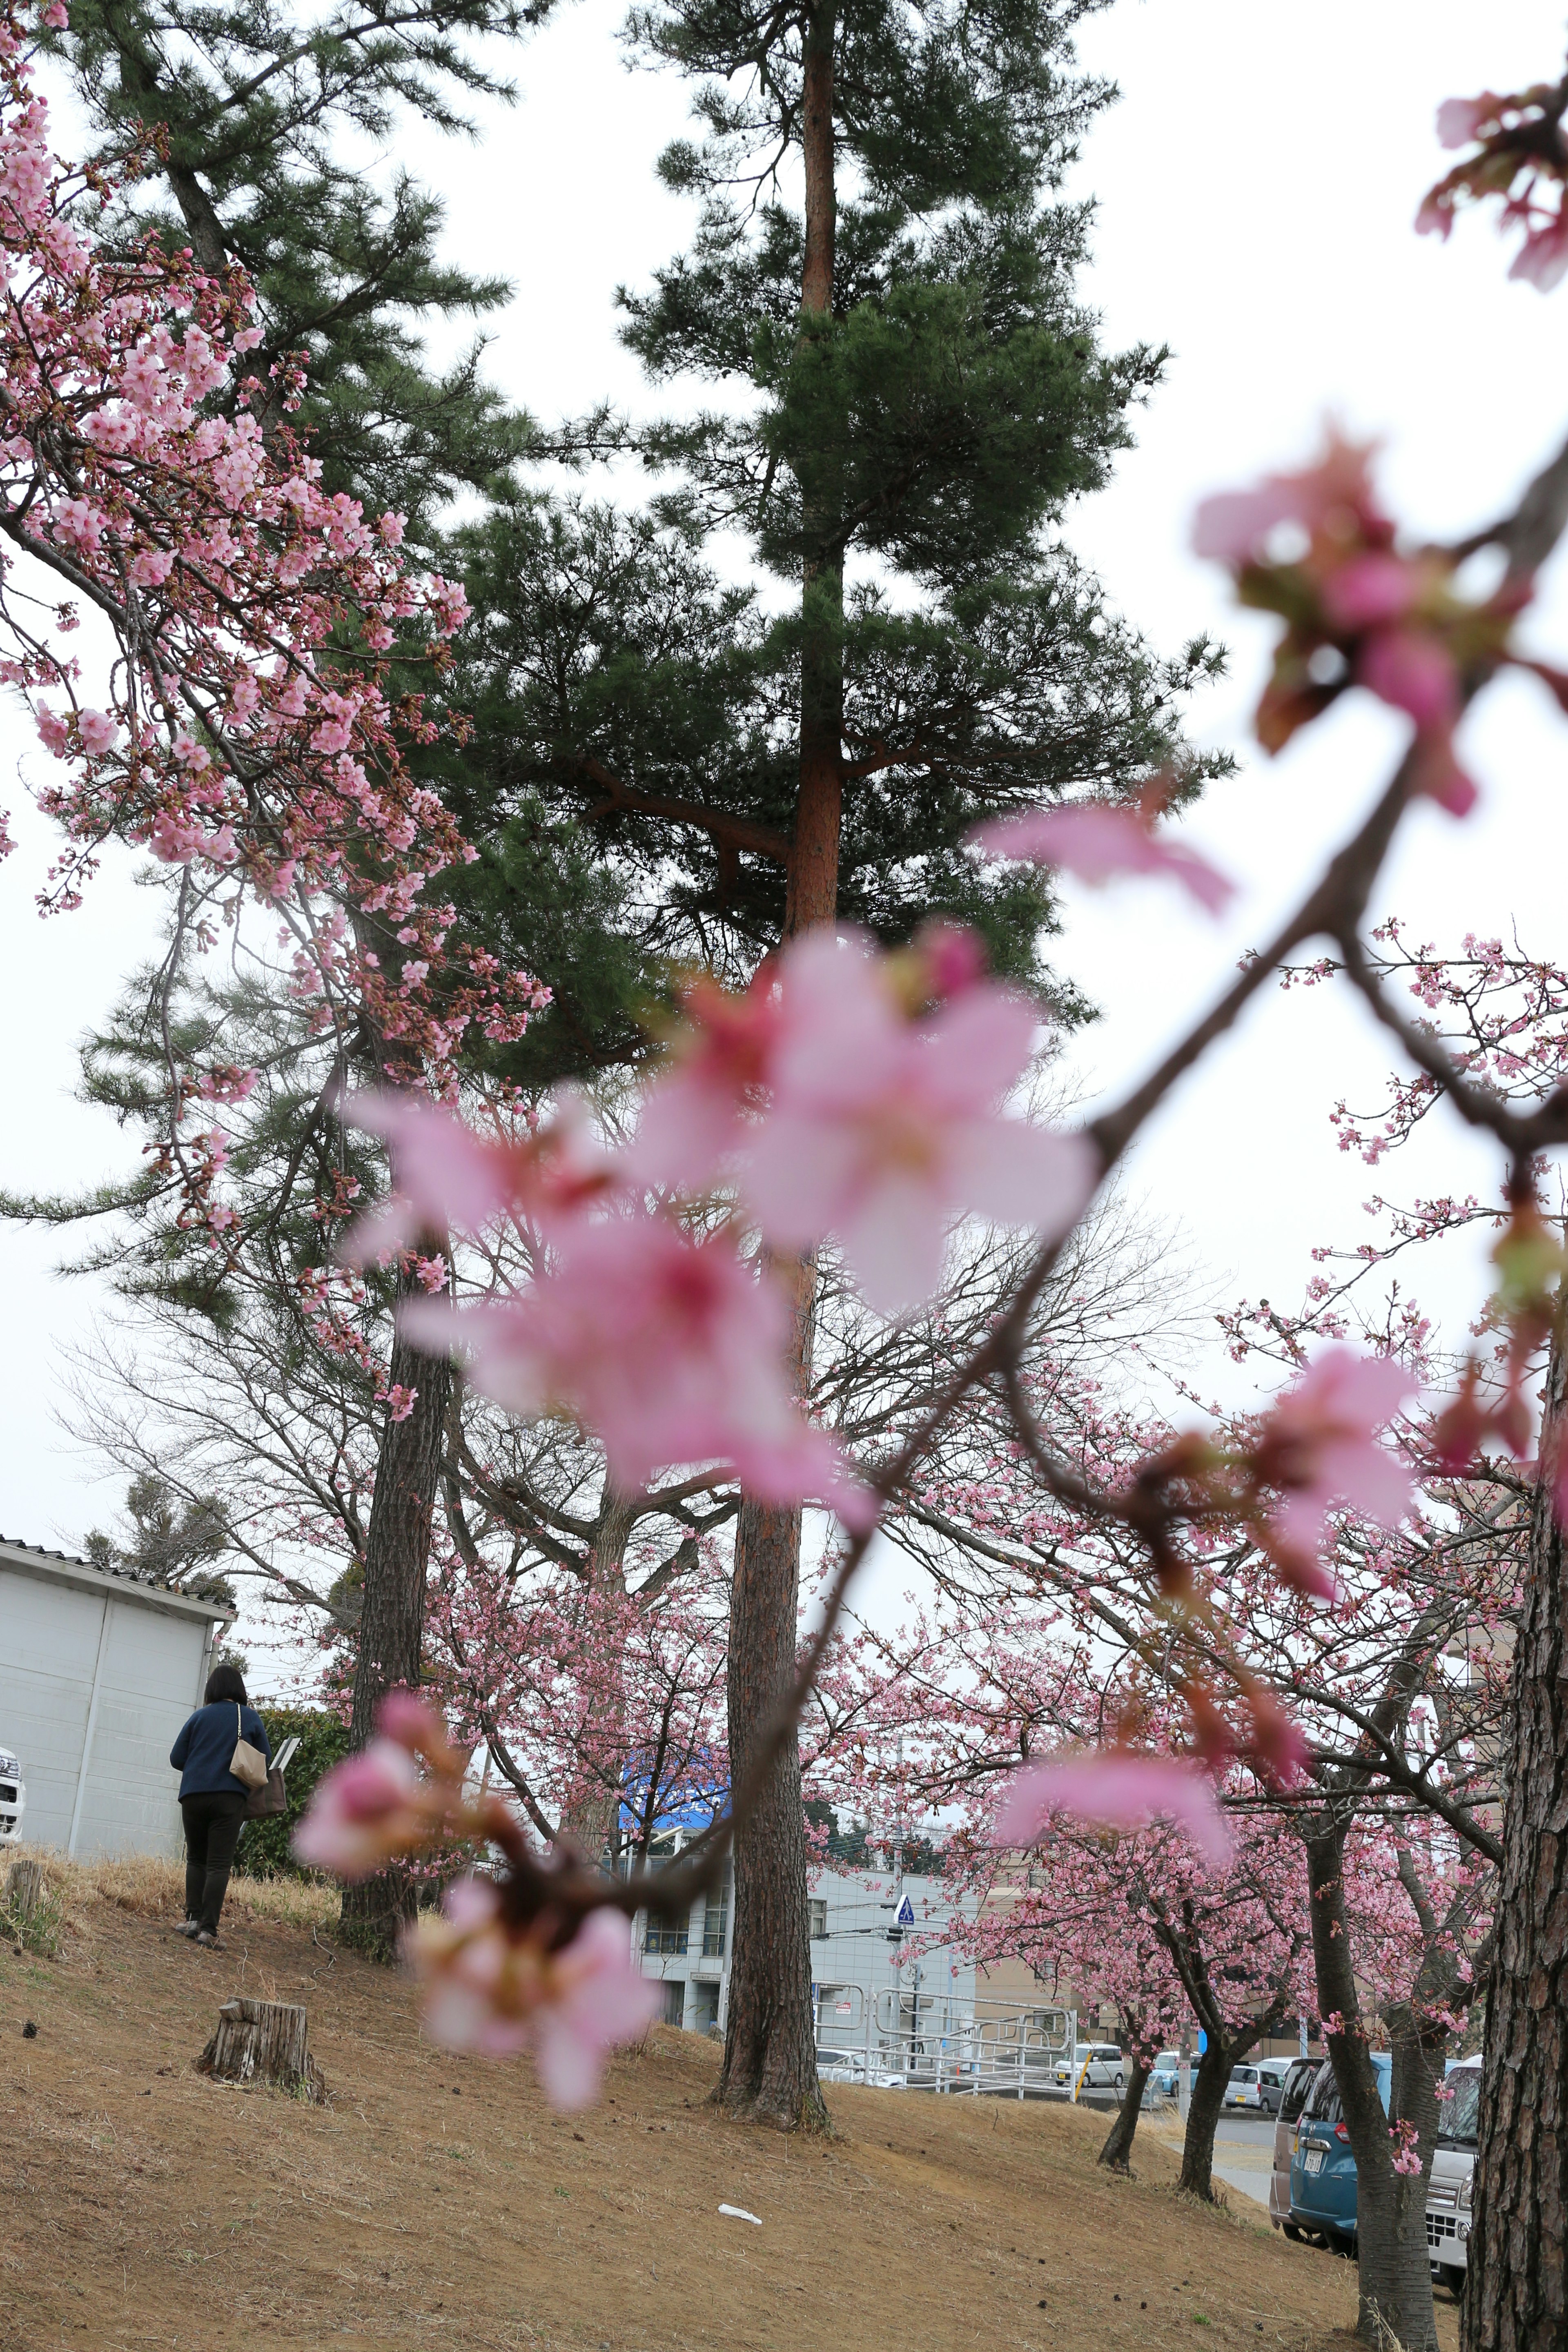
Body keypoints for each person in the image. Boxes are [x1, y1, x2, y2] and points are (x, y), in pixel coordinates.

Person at [168, 1664, 271, 1948]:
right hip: (229, 1796)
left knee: (196, 1859)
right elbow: (266, 1758)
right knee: (218, 1865)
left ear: (211, 1689)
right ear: (239, 1689)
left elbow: (177, 1758)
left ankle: (192, 1919)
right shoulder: (248, 1717)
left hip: (192, 1795)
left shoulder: (199, 1717)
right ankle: (208, 1931)